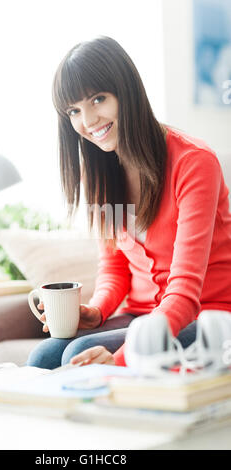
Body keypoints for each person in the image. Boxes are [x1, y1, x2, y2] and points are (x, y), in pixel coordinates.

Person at [26, 36, 231, 369]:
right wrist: (96, 310)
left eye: (98, 99)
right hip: (141, 315)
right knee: (44, 355)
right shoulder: (102, 173)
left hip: (203, 314)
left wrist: (121, 359)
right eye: (75, 110)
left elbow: (184, 291)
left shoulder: (193, 163)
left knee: (73, 358)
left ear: (127, 91)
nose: (89, 120)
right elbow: (114, 267)